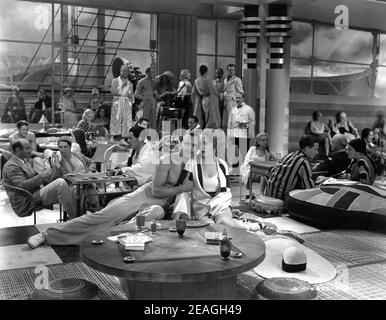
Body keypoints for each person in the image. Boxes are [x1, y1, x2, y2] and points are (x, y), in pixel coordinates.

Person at [26, 134, 199, 248]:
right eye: (188, 145)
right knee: (102, 217)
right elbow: (157, 189)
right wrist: (181, 189)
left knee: (146, 217)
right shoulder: (167, 160)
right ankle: (47, 235)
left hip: (160, 206)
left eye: (195, 146)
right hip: (145, 195)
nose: (190, 149)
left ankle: (110, 240)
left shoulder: (193, 164)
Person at [173, 131, 263, 231]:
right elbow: (184, 191)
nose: (201, 147)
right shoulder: (192, 163)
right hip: (201, 207)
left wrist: (210, 207)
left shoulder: (222, 164)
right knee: (210, 226)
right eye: (200, 144)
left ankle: (249, 226)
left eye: (205, 143)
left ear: (214, 146)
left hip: (220, 205)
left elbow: (226, 193)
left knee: (224, 222)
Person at [2, 139, 75, 219]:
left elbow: (36, 178)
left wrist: (53, 173)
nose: (31, 150)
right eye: (27, 148)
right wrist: (42, 175)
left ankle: (79, 218)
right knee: (60, 183)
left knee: (75, 189)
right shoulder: (12, 166)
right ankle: (76, 220)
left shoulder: (23, 161)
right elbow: (21, 185)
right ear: (18, 150)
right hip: (27, 201)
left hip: (35, 194)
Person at [53, 136, 100, 212]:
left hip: (86, 179)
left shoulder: (77, 155)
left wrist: (90, 171)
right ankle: (80, 214)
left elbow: (91, 162)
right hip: (72, 184)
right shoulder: (59, 160)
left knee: (90, 187)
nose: (63, 150)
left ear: (70, 147)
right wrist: (57, 165)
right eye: (60, 147)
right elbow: (57, 177)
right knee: (82, 191)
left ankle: (95, 213)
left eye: (65, 147)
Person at [265, 135, 319, 201]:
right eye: (315, 149)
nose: (317, 152)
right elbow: (309, 188)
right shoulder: (303, 162)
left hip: (269, 195)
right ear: (307, 149)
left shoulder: (288, 155)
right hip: (281, 200)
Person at [227, 92, 255, 161]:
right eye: (236, 98)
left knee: (243, 156)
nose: (237, 100)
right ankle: (234, 171)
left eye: (239, 98)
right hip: (233, 136)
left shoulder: (249, 109)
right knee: (234, 157)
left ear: (243, 98)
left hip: (244, 136)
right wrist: (229, 135)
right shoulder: (233, 109)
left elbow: (252, 122)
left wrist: (245, 125)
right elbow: (229, 123)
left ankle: (243, 170)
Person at [191, 65, 221, 129]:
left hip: (202, 100)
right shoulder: (208, 80)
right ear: (206, 72)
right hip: (210, 99)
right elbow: (214, 91)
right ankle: (209, 128)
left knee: (204, 115)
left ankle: (202, 127)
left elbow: (193, 93)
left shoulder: (196, 81)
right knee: (210, 116)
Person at [110, 63, 134, 140]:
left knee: (127, 118)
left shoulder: (130, 83)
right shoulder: (115, 80)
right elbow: (113, 91)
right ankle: (116, 134)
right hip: (118, 101)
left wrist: (130, 97)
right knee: (116, 118)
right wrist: (122, 87)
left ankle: (126, 134)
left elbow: (131, 94)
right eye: (124, 71)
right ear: (120, 71)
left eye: (127, 71)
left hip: (126, 102)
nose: (125, 73)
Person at [222, 64, 244, 131]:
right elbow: (225, 90)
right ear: (227, 70)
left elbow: (241, 92)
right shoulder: (225, 80)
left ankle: (233, 138)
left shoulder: (237, 79)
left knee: (232, 121)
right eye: (230, 70)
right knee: (224, 122)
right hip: (225, 101)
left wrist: (234, 99)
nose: (231, 71)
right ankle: (227, 137)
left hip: (232, 102)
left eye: (233, 70)